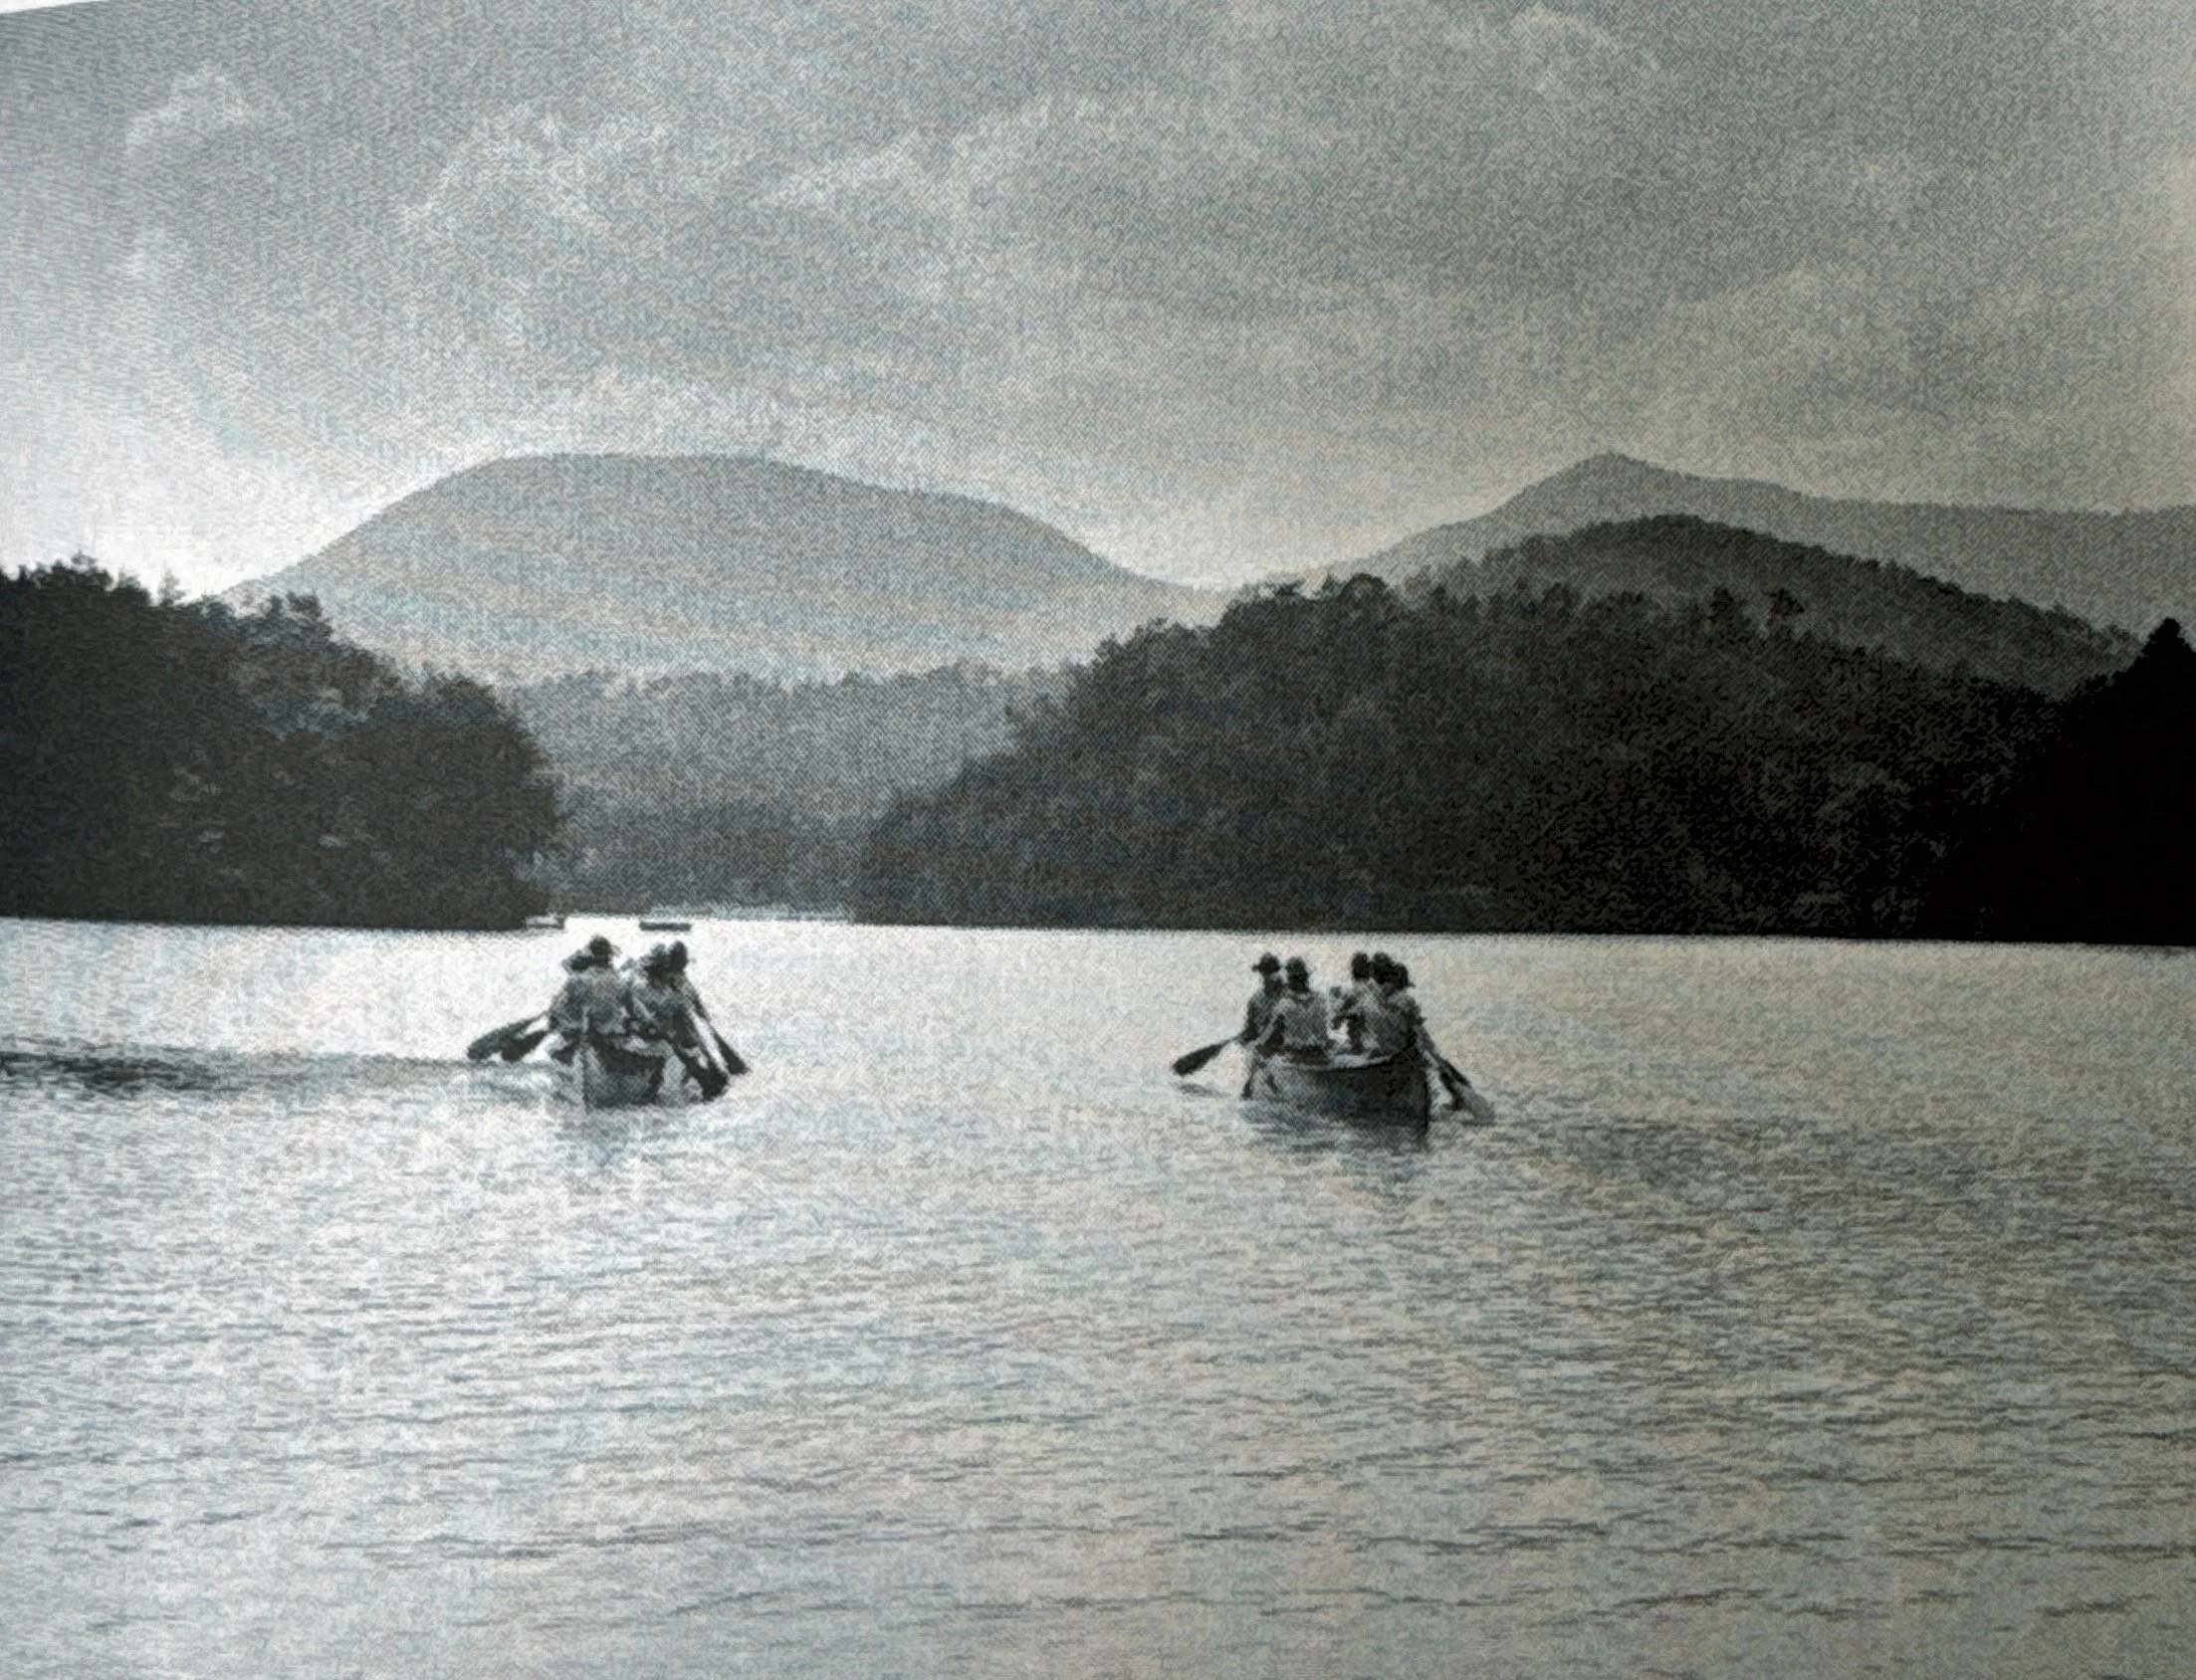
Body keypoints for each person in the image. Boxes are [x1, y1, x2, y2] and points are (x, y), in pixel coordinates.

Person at [548, 936, 628, 1062]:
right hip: (612, 1033)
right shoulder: (620, 982)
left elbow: (557, 1008)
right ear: (610, 957)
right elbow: (633, 1008)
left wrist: (555, 1021)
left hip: (584, 1033)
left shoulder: (576, 981)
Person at [1261, 956, 1333, 1063]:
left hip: (1296, 1058)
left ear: (1290, 980)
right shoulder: (1321, 999)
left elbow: (1268, 1038)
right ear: (1306, 978)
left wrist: (1259, 1047)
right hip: (1320, 1056)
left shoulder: (1284, 1005)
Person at [1237, 952, 1287, 1053]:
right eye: (1266, 973)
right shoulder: (1255, 999)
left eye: (1272, 972)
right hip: (1263, 1047)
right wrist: (1244, 1039)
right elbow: (1250, 1029)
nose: (1270, 977)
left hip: (1284, 1047)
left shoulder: (1287, 995)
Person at [1331, 951, 1378, 1053]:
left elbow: (1337, 1013)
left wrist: (1339, 1015)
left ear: (1353, 971)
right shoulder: (1375, 987)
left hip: (1365, 1036)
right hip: (1374, 1034)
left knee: (1348, 1019)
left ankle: (1357, 1047)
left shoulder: (1353, 990)